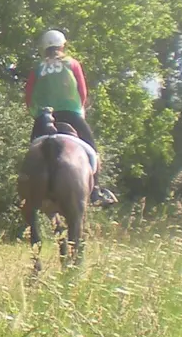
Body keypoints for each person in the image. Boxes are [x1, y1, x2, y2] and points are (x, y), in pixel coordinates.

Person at [24, 29, 116, 206]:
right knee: (92, 150)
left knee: (32, 153)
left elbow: (28, 95)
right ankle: (96, 191)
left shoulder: (37, 68)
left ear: (44, 48)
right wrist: (78, 108)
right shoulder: (72, 63)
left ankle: (26, 186)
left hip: (44, 116)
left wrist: (35, 113)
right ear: (62, 46)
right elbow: (82, 91)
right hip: (71, 113)